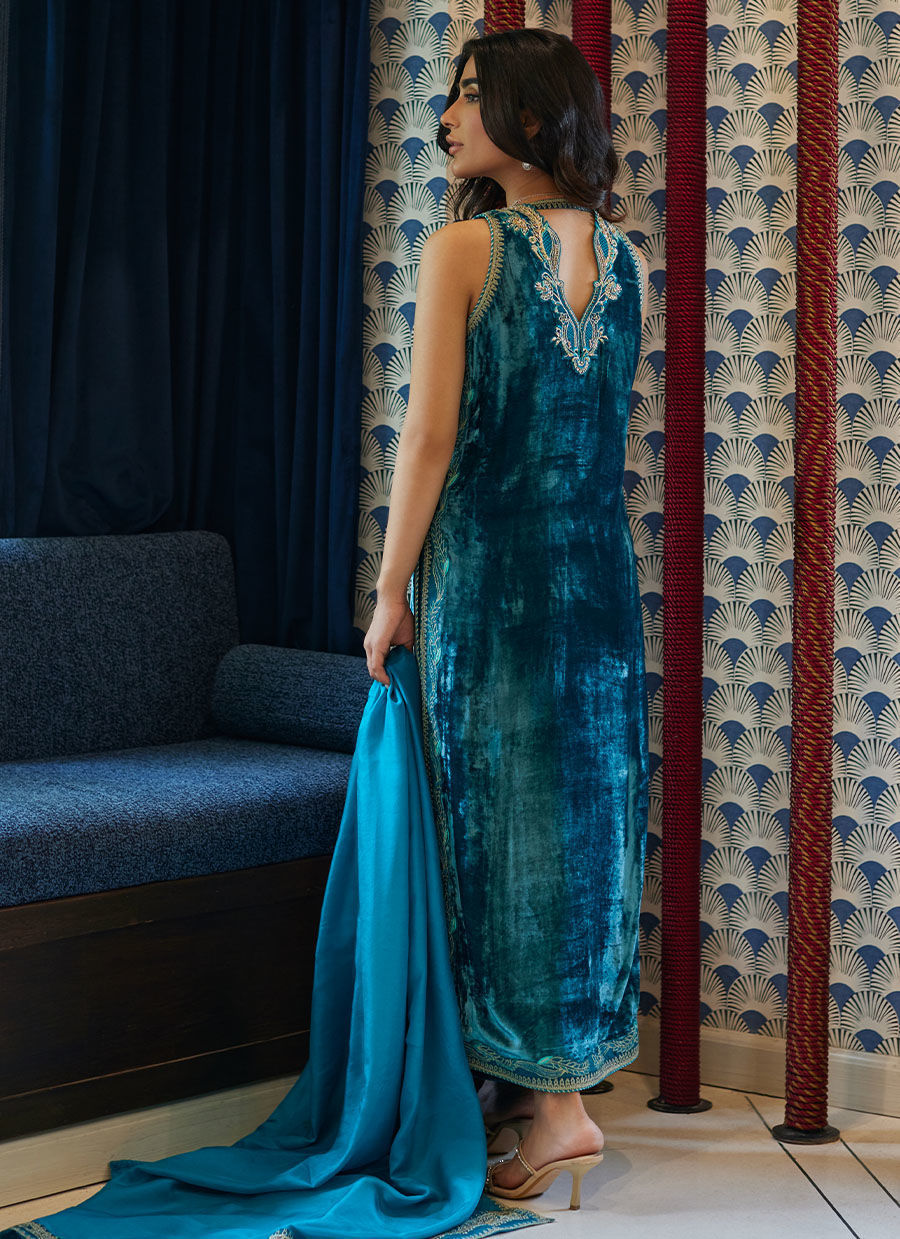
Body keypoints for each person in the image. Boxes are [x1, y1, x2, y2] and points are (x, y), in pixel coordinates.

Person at [363, 27, 651, 1209]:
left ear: (531, 118)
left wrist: (389, 591)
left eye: (470, 95)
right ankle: (551, 1100)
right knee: (584, 836)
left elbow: (431, 438)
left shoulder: (462, 249)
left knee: (493, 835)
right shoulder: (629, 259)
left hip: (492, 588)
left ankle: (555, 1116)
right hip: (599, 592)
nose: (445, 118)